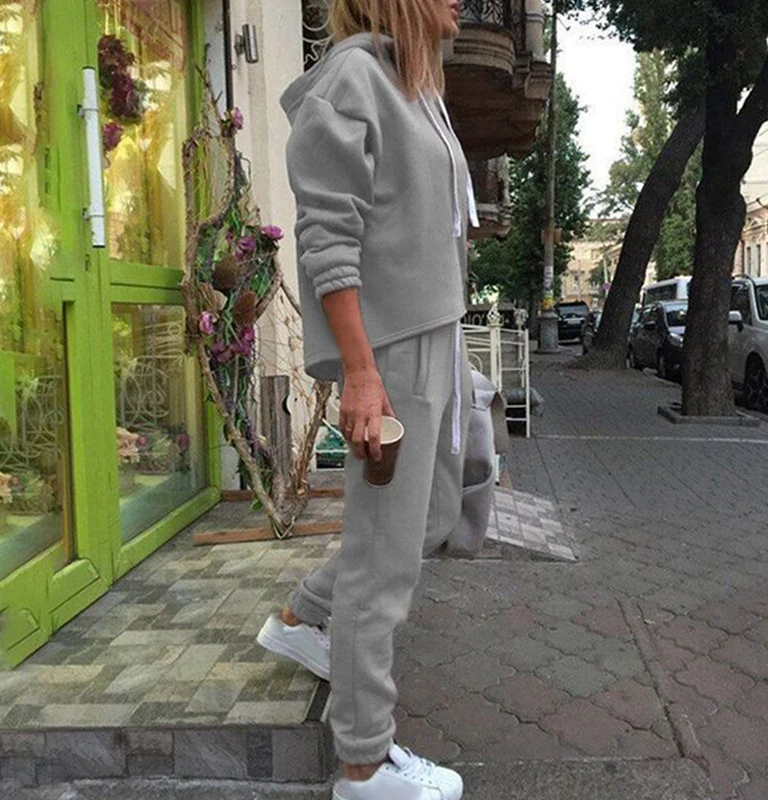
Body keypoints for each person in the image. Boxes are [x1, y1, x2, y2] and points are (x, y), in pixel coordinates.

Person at [258, 1, 477, 798]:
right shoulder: (353, 78)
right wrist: (359, 371)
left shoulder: (415, 84)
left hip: (435, 333)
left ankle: (300, 619)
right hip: (392, 347)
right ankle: (363, 764)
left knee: (431, 518)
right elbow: (327, 236)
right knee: (382, 564)